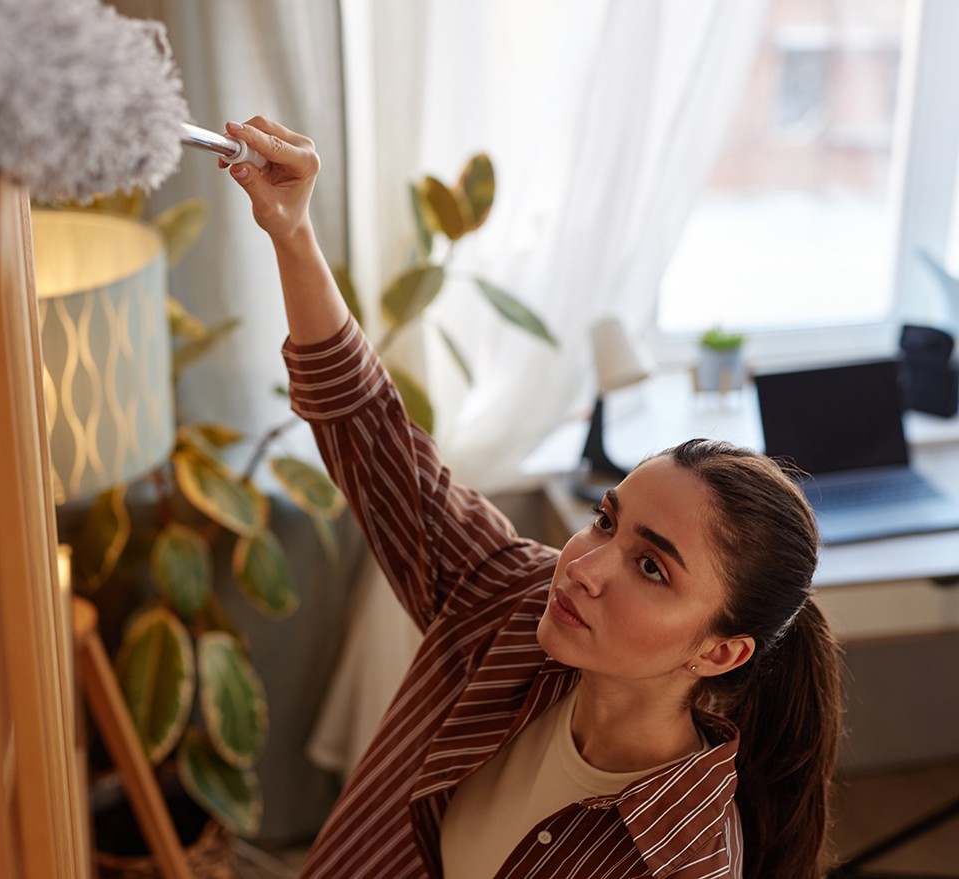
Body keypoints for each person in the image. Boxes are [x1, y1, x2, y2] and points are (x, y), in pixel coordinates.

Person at [219, 117, 843, 879]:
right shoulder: (515, 602)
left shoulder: (682, 863)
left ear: (719, 651)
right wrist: (291, 232)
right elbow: (374, 436)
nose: (584, 566)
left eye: (651, 568)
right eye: (605, 522)